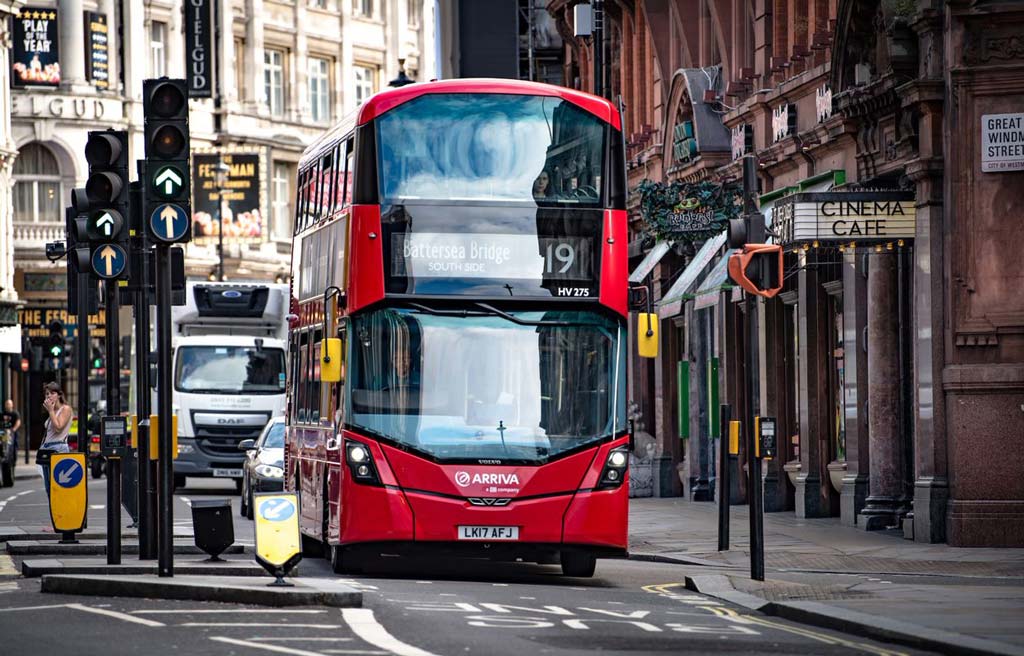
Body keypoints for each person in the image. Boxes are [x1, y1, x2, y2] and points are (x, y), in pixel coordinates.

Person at [39, 382, 72, 497]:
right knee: (49, 489)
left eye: (52, 393)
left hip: (58, 448)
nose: (49, 396)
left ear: (59, 395)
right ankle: (54, 514)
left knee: (58, 487)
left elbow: (58, 427)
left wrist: (51, 411)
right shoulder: (51, 412)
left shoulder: (65, 409)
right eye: (47, 394)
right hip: (46, 449)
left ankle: (62, 513)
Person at [2, 399, 21, 465]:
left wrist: (13, 430)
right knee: (5, 445)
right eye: (6, 404)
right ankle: (5, 459)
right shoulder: (3, 413)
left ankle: (13, 461)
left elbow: (18, 422)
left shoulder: (15, 413)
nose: (8, 405)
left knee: (13, 447)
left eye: (9, 404)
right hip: (4, 433)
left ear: (12, 405)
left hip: (13, 433)